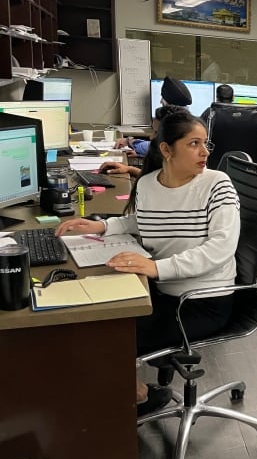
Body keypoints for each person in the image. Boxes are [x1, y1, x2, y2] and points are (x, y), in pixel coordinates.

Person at [56, 106, 240, 416]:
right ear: (167, 149)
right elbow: (141, 222)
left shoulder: (217, 184)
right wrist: (101, 225)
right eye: (194, 143)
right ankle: (134, 392)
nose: (204, 152)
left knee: (114, 337)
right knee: (102, 319)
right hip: (163, 290)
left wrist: (156, 267)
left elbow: (221, 247)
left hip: (201, 301)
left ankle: (134, 399)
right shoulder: (149, 184)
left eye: (205, 143)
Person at [114, 76, 192, 158]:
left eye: (164, 98)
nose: (160, 101)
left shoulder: (178, 123)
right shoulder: (186, 118)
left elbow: (157, 147)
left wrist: (130, 142)